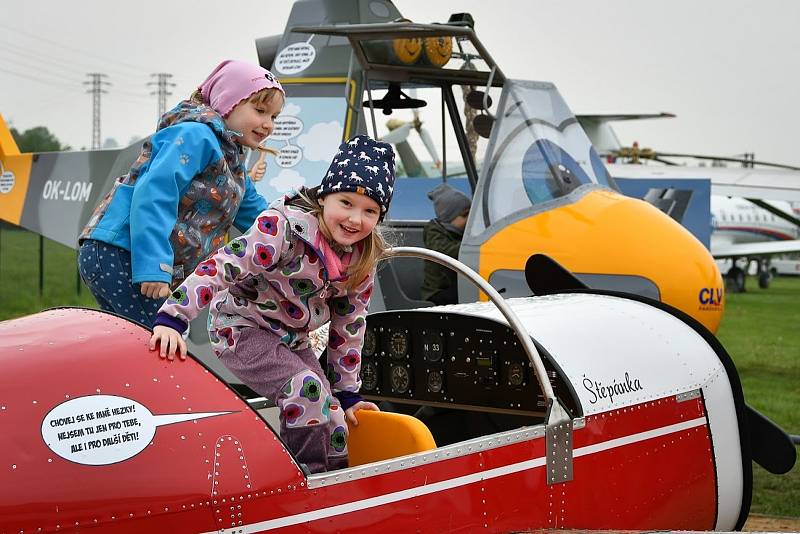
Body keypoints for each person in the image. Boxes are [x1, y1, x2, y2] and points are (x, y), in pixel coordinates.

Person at [149, 135, 396, 473]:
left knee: (335, 418)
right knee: (305, 391)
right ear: (324, 198)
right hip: (239, 327)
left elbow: (349, 329)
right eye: (346, 202)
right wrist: (174, 316)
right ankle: (308, 479)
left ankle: (340, 485)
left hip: (291, 338)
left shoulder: (361, 262)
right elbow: (224, 264)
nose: (355, 219)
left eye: (370, 211)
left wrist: (348, 393)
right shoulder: (283, 229)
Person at [77, 60, 284, 327]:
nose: (268, 124)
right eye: (260, 111)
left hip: (131, 257)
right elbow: (155, 194)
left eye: (274, 117)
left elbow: (259, 215)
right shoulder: (195, 135)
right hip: (123, 252)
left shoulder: (232, 162)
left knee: (141, 342)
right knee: (162, 338)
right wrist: (154, 265)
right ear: (227, 101)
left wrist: (299, 231)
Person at [420, 183, 471, 305]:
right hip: (437, 292)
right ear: (451, 218)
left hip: (455, 286)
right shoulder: (434, 232)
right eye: (465, 215)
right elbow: (445, 252)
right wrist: (473, 247)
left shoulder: (460, 232)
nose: (469, 220)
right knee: (465, 294)